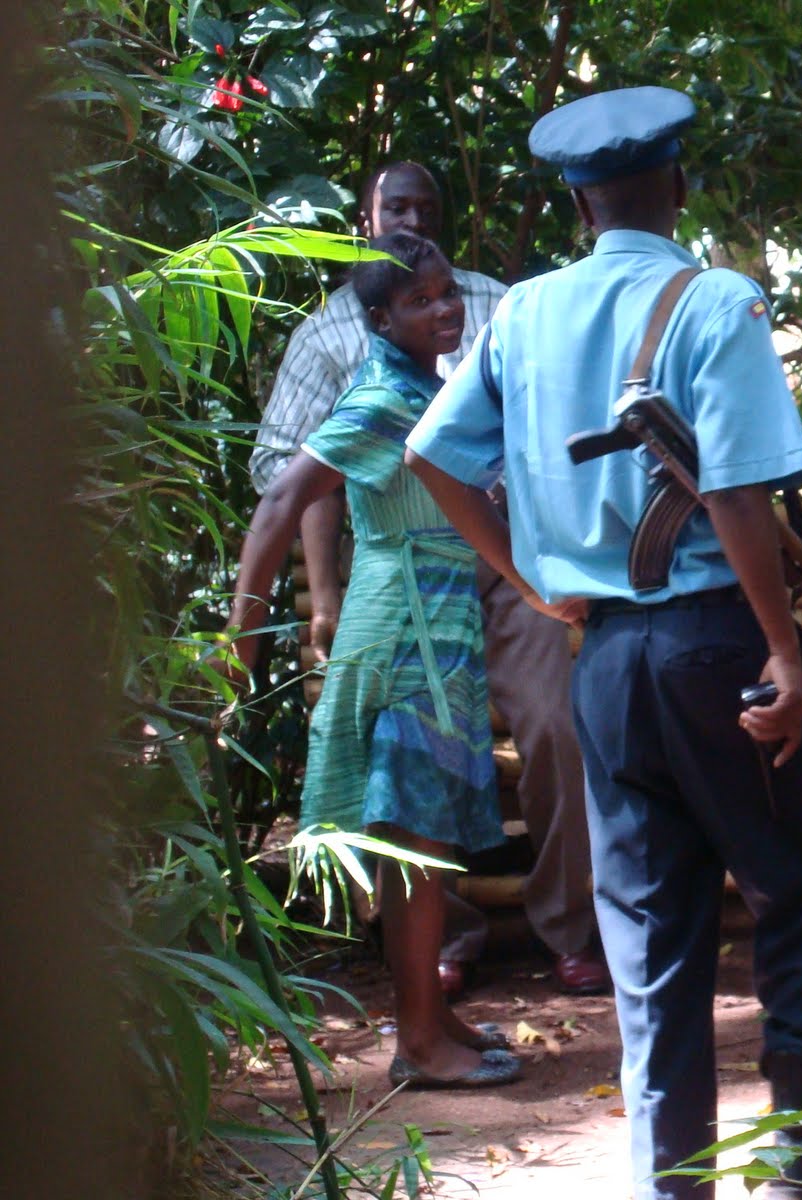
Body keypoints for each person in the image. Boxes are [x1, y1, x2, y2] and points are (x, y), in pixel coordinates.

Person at [405, 87, 802, 1200]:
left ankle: (674, 1180)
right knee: (799, 894)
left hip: (609, 664)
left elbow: (432, 454)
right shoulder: (713, 302)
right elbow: (734, 486)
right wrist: (781, 651)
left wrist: (533, 579)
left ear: (577, 200)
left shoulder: (522, 312)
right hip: (718, 646)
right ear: (677, 184)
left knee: (651, 932)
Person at [250, 160, 608, 998]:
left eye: (425, 207)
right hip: (407, 572)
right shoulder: (333, 336)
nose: (410, 219)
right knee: (417, 754)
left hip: (506, 561)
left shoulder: (497, 304)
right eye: (394, 207)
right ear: (365, 219)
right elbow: (287, 473)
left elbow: (552, 415)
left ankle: (569, 927)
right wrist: (322, 597)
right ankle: (443, 940)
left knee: (558, 726)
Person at [220, 232, 531, 1088]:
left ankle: (432, 1022)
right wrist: (241, 643)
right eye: (421, 300)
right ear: (379, 318)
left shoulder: (421, 387)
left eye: (445, 293)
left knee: (420, 844)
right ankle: (419, 1047)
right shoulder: (382, 396)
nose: (445, 308)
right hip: (405, 639)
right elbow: (284, 496)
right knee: (413, 848)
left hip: (437, 626)